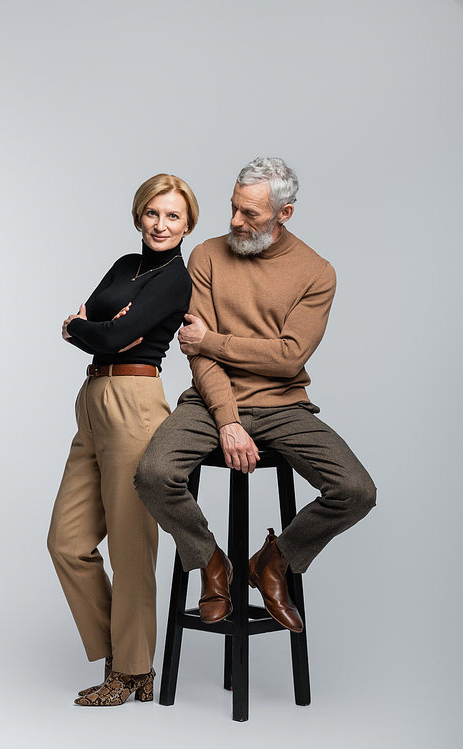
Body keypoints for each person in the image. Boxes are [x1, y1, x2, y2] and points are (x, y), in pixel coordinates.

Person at [135, 157, 376, 633]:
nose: (235, 222)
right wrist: (226, 420)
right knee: (153, 474)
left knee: (355, 490)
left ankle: (273, 560)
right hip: (209, 400)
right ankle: (211, 562)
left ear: (284, 214)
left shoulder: (316, 272)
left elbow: (287, 358)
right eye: (233, 208)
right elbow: (198, 356)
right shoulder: (205, 255)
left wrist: (214, 341)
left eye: (251, 215)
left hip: (285, 406)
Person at [47, 173, 197, 706]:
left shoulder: (177, 279)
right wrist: (96, 328)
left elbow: (97, 332)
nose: (161, 224)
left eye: (173, 216)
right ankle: (122, 654)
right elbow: (91, 326)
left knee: (131, 546)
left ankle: (133, 671)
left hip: (136, 403)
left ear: (188, 224)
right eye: (153, 213)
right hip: (91, 402)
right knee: (66, 543)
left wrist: (93, 329)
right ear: (139, 215)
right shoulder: (123, 266)